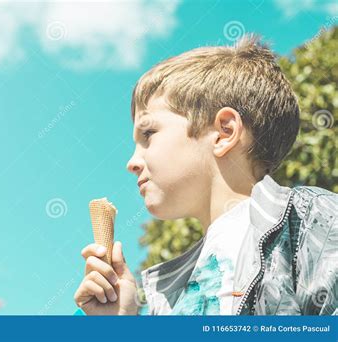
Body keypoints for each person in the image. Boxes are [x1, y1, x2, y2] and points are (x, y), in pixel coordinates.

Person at [73, 35, 337, 315]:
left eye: (148, 134)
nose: (132, 162)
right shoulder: (164, 297)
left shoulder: (313, 219)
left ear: (224, 132)